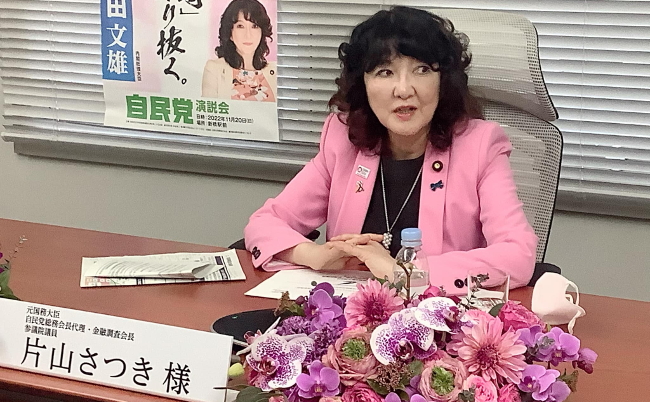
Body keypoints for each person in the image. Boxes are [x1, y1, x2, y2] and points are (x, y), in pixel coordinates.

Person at [244, 6, 538, 293]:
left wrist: (406, 274)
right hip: (351, 316)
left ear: (443, 81)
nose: (404, 89)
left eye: (422, 70)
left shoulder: (480, 146)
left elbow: (518, 256)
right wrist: (313, 254)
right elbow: (264, 223)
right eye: (385, 72)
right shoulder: (343, 141)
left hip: (438, 317)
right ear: (363, 85)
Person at [202, 0, 276, 102]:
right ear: (230, 33)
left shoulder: (275, 70)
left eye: (254, 26)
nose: (248, 35)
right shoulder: (214, 69)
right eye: (240, 26)